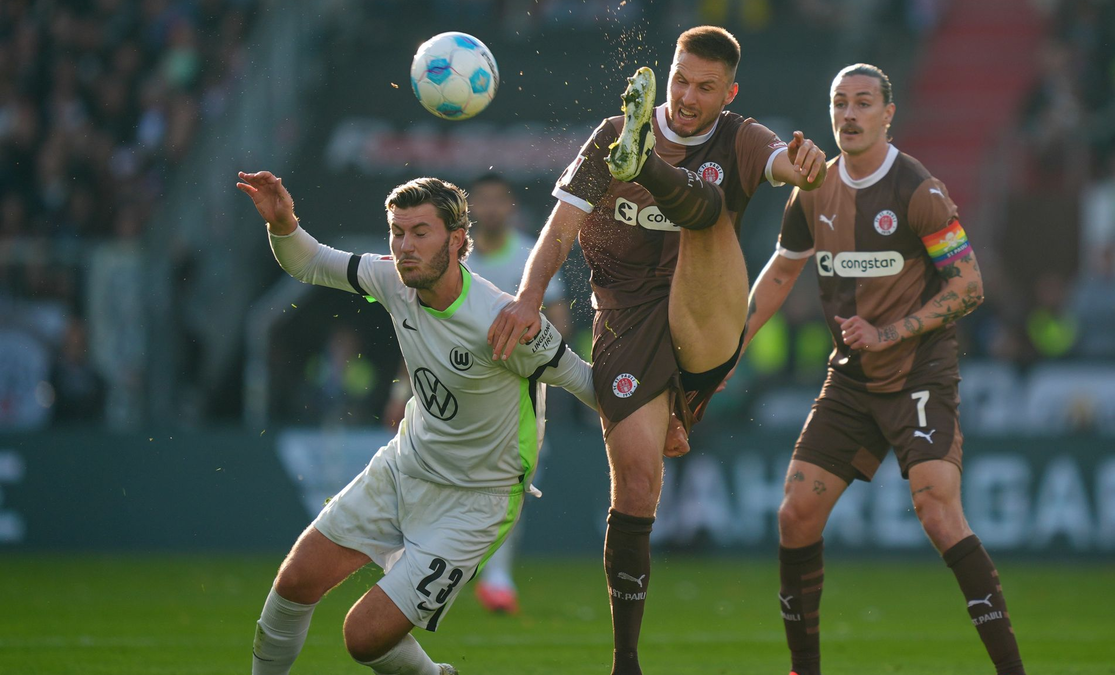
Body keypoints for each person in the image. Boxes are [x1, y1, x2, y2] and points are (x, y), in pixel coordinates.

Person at [487, 25, 827, 675]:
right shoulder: (608, 132)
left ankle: (646, 167)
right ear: (667, 73)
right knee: (639, 481)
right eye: (680, 81)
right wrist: (529, 298)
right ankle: (626, 660)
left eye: (705, 88)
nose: (689, 96)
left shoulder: (742, 137)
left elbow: (784, 162)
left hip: (706, 306)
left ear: (730, 92)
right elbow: (559, 232)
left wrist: (804, 167)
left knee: (705, 211)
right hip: (624, 321)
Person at [236, 171, 609, 675]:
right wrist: (284, 223)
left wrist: (665, 426)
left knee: (363, 637)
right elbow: (309, 261)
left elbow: (588, 384)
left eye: (419, 232)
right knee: (294, 582)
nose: (404, 246)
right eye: (397, 232)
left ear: (457, 240)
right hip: (404, 468)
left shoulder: (502, 320)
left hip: (477, 500)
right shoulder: (394, 279)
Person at [740, 64, 1026, 675]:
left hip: (919, 372)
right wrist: (728, 347)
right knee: (794, 515)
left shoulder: (918, 190)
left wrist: (888, 332)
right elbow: (782, 273)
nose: (849, 114)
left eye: (863, 103)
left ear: (888, 113)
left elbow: (970, 286)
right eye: (839, 102)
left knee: (937, 509)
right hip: (850, 379)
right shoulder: (812, 188)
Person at [463, 171, 572, 614]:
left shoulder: (531, 255)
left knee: (514, 481)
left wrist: (535, 357)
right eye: (482, 200)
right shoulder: (455, 259)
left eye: (498, 200)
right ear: (470, 209)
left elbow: (561, 320)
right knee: (459, 479)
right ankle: (453, 562)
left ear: (509, 206)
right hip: (462, 383)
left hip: (518, 388)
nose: (490, 208)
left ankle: (498, 576)